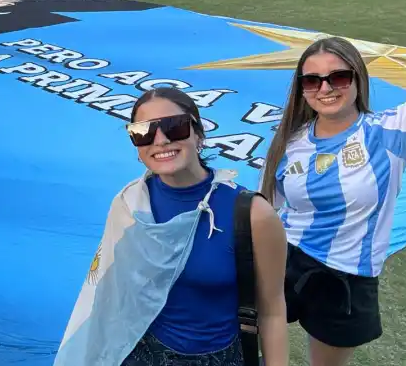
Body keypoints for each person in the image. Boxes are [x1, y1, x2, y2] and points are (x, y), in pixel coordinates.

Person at [55, 88, 288, 366]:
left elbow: (272, 311)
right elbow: (110, 295)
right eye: (143, 132)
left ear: (198, 134)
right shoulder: (131, 204)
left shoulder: (252, 214)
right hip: (138, 353)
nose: (161, 140)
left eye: (174, 127)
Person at [260, 38, 406, 366]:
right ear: (302, 87)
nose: (326, 88)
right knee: (239, 341)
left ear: (358, 78)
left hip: (345, 279)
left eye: (339, 77)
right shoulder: (290, 138)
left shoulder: (390, 130)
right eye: (312, 80)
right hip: (284, 258)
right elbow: (267, 208)